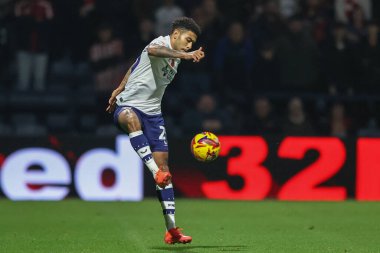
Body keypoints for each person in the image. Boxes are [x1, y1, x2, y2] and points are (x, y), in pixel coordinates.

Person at [106, 17, 204, 244]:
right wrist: (186, 55)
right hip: (128, 106)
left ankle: (172, 230)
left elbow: (136, 63)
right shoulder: (161, 43)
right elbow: (152, 51)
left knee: (165, 167)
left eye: (192, 44)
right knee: (131, 119)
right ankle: (154, 171)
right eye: (188, 40)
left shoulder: (175, 58)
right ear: (176, 34)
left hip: (153, 115)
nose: (189, 46)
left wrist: (118, 85)